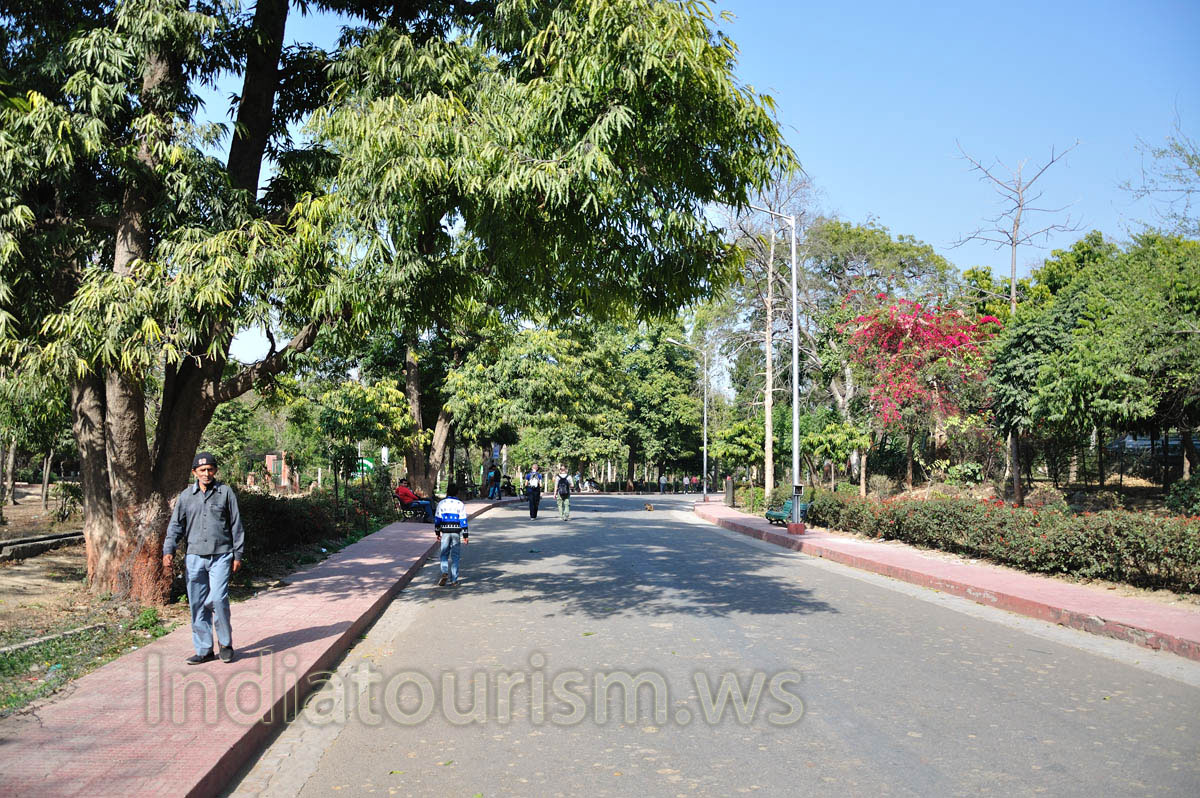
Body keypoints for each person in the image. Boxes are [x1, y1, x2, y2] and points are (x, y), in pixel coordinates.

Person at [162, 452, 244, 665]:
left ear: (215, 470)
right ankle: (204, 650)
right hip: (194, 557)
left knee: (218, 599)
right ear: (194, 473)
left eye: (210, 469)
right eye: (202, 470)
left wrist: (238, 554)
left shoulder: (225, 493)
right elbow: (176, 526)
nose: (206, 473)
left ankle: (225, 644)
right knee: (197, 604)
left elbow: (236, 525)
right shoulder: (186, 497)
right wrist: (168, 550)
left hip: (221, 555)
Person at [434, 483, 469, 587]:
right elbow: (463, 520)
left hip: (445, 532)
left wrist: (437, 532)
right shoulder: (460, 504)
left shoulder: (441, 503)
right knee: (455, 556)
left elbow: (437, 519)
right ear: (457, 492)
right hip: (456, 533)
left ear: (447, 491)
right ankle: (454, 580)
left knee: (444, 554)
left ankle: (444, 572)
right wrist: (465, 535)